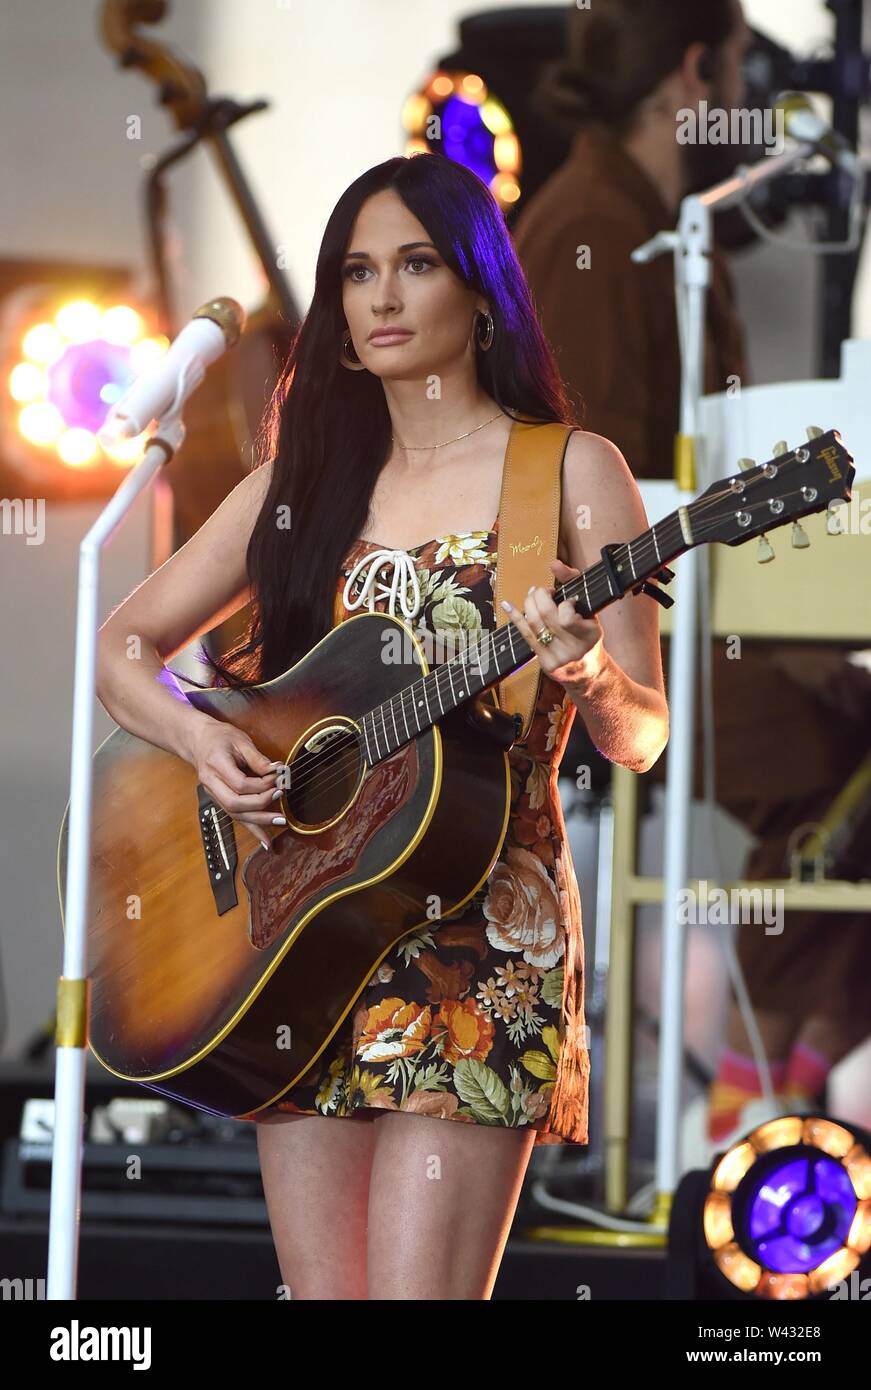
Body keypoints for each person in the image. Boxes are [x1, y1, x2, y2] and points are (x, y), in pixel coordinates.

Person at [95, 151, 668, 1299]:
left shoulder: (570, 471)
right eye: (357, 273)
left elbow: (639, 734)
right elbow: (121, 647)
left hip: (477, 943)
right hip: (292, 935)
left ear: (481, 290)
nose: (383, 297)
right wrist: (205, 742)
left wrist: (593, 668)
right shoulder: (299, 479)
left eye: (415, 264)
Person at [513, 0, 871, 1152]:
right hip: (606, 643)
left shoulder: (656, 224)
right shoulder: (601, 231)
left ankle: (782, 1097)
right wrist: (774, 643)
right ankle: (749, 1115)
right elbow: (600, 513)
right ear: (690, 72)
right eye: (735, 73)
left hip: (696, 611)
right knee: (833, 760)